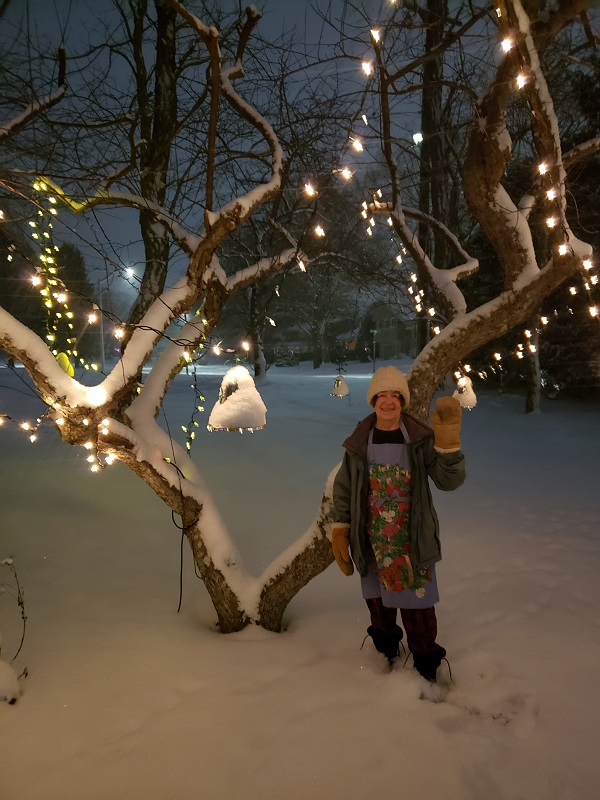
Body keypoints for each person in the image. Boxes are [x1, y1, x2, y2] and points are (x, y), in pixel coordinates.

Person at [331, 365, 465, 684]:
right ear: (373, 400)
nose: (388, 401)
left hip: (411, 539)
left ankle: (427, 668)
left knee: (418, 608)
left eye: (395, 395)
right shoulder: (359, 442)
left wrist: (448, 446)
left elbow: (448, 481)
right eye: (382, 395)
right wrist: (341, 528)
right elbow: (344, 488)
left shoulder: (419, 439)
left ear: (402, 401)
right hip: (372, 540)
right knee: (379, 608)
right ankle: (385, 655)